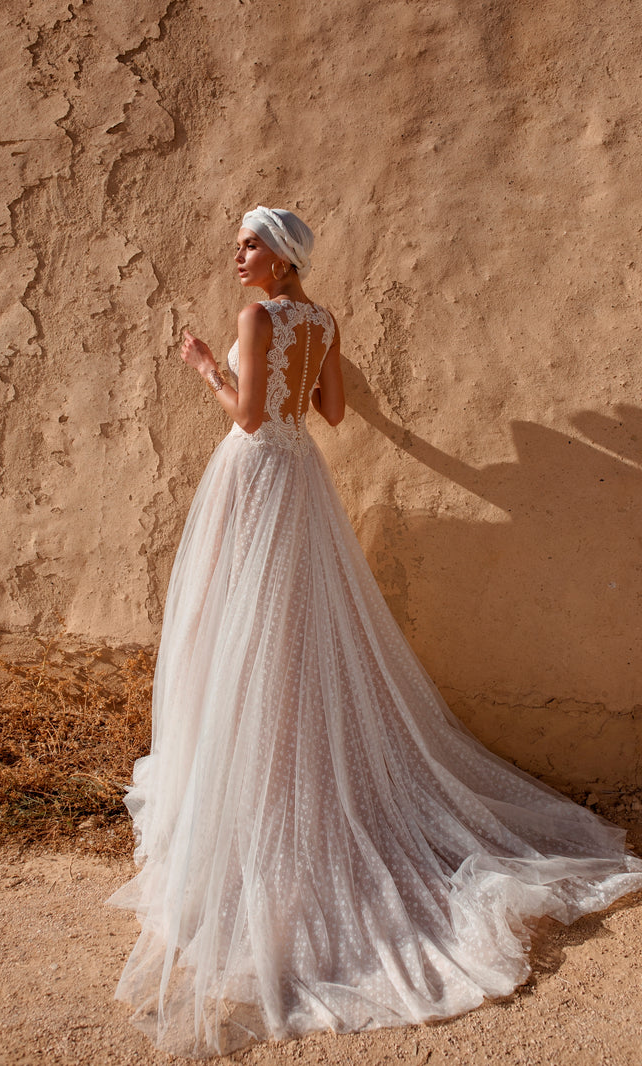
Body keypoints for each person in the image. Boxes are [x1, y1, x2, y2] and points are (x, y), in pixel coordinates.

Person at [109, 206, 642, 1058]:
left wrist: (208, 367)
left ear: (280, 261)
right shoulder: (320, 321)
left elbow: (246, 421)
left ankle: (256, 797)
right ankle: (276, 773)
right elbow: (333, 412)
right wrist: (292, 372)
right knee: (287, 635)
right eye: (243, 244)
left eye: (252, 245)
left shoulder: (253, 316)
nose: (238, 256)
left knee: (240, 631)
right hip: (301, 484)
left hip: (252, 480)